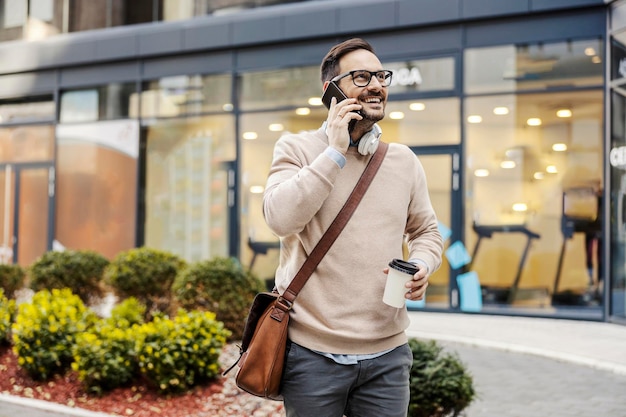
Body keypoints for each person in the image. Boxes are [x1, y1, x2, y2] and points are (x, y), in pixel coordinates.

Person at [262, 38, 443, 417]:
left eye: (381, 76)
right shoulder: (296, 149)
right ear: (331, 91)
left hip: (388, 357)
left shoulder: (403, 162)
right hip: (312, 355)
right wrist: (334, 153)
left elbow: (426, 231)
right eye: (361, 77)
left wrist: (425, 264)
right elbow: (279, 219)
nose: (376, 85)